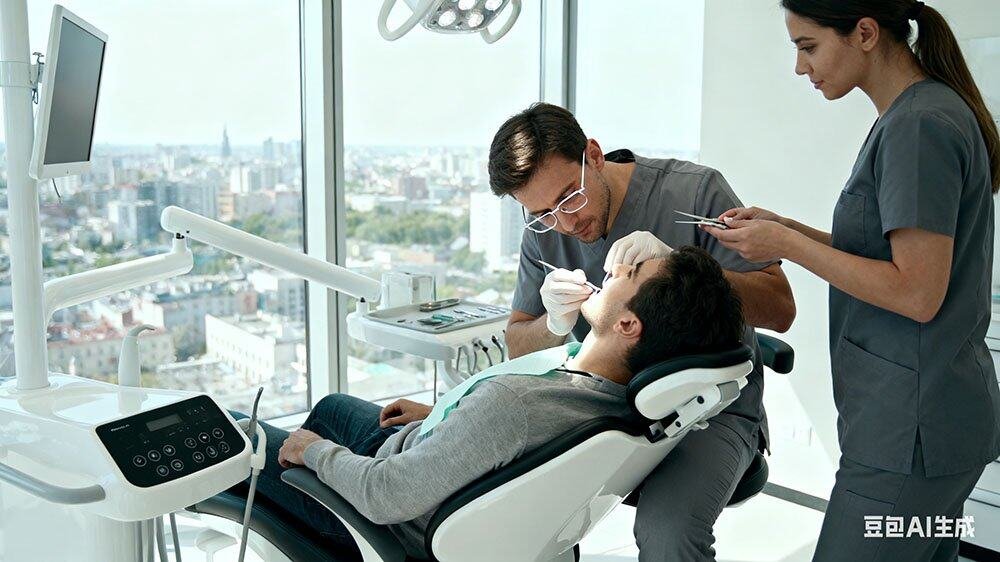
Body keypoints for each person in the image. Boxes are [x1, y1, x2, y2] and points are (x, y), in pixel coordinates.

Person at [702, 1, 1000, 560]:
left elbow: (915, 292)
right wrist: (784, 227)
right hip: (931, 428)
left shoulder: (918, 127)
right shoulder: (919, 114)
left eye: (807, 46)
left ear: (865, 33)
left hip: (908, 440)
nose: (799, 67)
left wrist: (786, 246)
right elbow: (882, 253)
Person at [237, 247, 746, 560]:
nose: (613, 267)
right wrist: (447, 413)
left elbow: (385, 495)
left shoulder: (515, 407)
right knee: (330, 406)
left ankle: (312, 525)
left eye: (629, 273)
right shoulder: (608, 395)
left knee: (235, 436)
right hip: (434, 455)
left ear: (628, 326)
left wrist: (315, 455)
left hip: (385, 511)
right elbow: (502, 414)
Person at [486, 102, 796, 560]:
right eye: (545, 212)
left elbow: (780, 306)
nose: (566, 223)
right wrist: (553, 322)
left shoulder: (694, 192)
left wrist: (682, 267)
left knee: (666, 534)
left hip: (706, 411)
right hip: (600, 408)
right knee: (517, 513)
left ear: (593, 154)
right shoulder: (546, 229)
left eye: (570, 197)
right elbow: (518, 344)